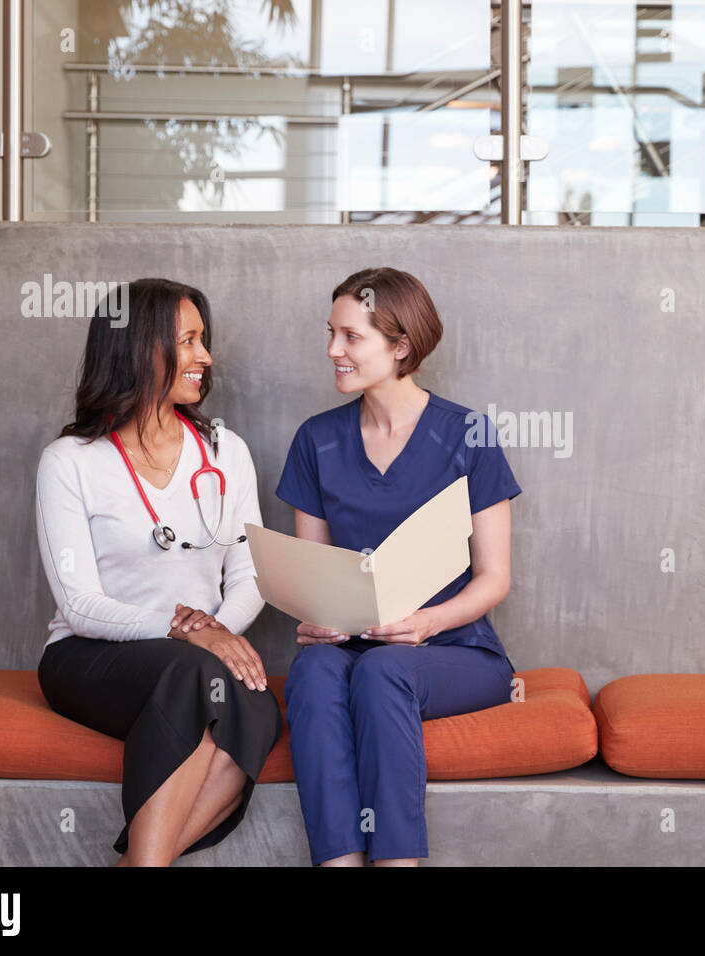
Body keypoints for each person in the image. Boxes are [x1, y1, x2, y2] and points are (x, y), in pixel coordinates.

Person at [277, 267, 521, 867]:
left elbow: (494, 577)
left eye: (351, 337)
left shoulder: (468, 433)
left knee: (385, 670)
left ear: (401, 345)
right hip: (353, 646)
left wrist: (426, 623)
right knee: (311, 670)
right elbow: (317, 572)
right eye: (331, 333)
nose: (333, 350)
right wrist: (312, 619)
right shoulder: (317, 439)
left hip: (455, 650)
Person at [34, 278, 281, 866]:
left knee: (254, 703)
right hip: (90, 656)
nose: (206, 357)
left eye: (203, 340)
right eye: (189, 341)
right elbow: (78, 603)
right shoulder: (69, 462)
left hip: (194, 659)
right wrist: (188, 632)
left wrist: (216, 632)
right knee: (200, 677)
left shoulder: (226, 453)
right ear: (137, 348)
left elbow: (252, 575)